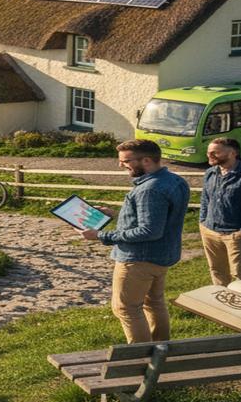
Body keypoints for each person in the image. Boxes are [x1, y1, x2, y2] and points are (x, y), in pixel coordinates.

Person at [81, 139, 190, 344]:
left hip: (139, 259)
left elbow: (149, 230)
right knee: (154, 303)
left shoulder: (149, 189)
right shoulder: (175, 180)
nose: (121, 165)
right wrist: (117, 214)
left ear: (146, 160)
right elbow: (157, 217)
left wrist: (101, 235)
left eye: (126, 161)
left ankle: (141, 358)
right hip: (162, 255)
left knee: (127, 308)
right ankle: (161, 348)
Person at [199, 137, 241, 286]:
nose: (209, 155)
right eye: (208, 152)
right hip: (209, 231)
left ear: (232, 153)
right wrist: (203, 222)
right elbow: (205, 198)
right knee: (216, 270)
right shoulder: (210, 173)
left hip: (235, 234)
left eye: (214, 153)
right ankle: (224, 303)